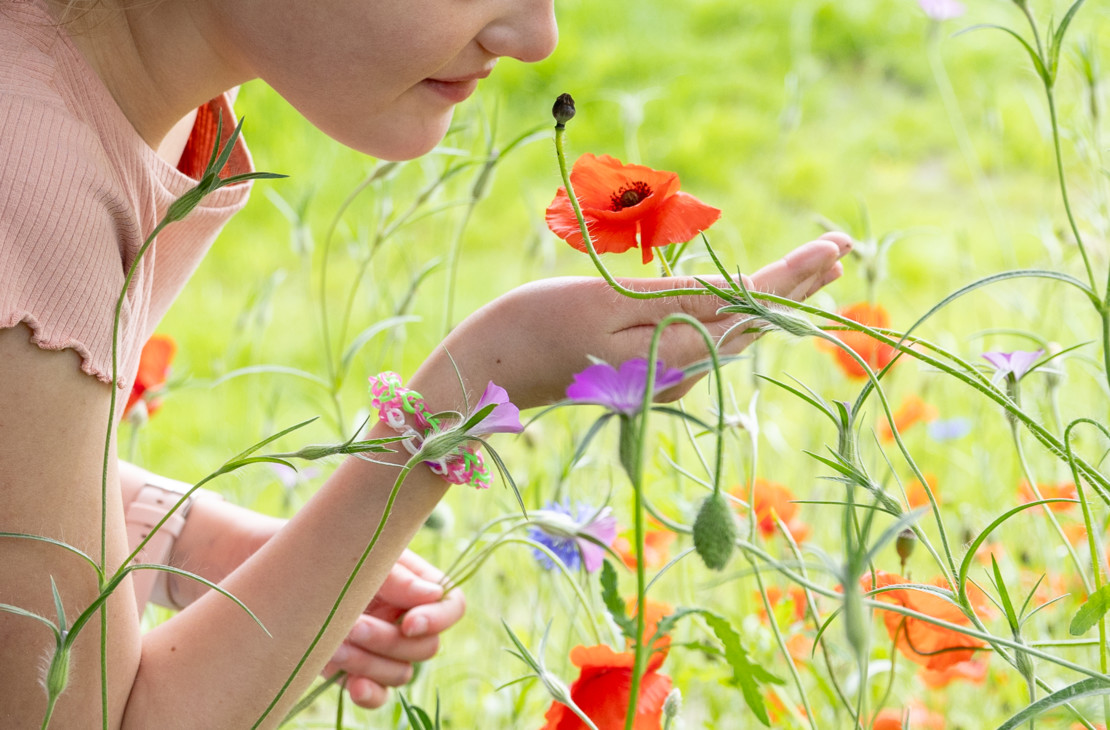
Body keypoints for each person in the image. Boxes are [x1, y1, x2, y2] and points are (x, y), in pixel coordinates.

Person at [0, 0, 852, 726]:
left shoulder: (86, 80)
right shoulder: (28, 178)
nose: (536, 34)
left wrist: (181, 533)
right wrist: (474, 390)